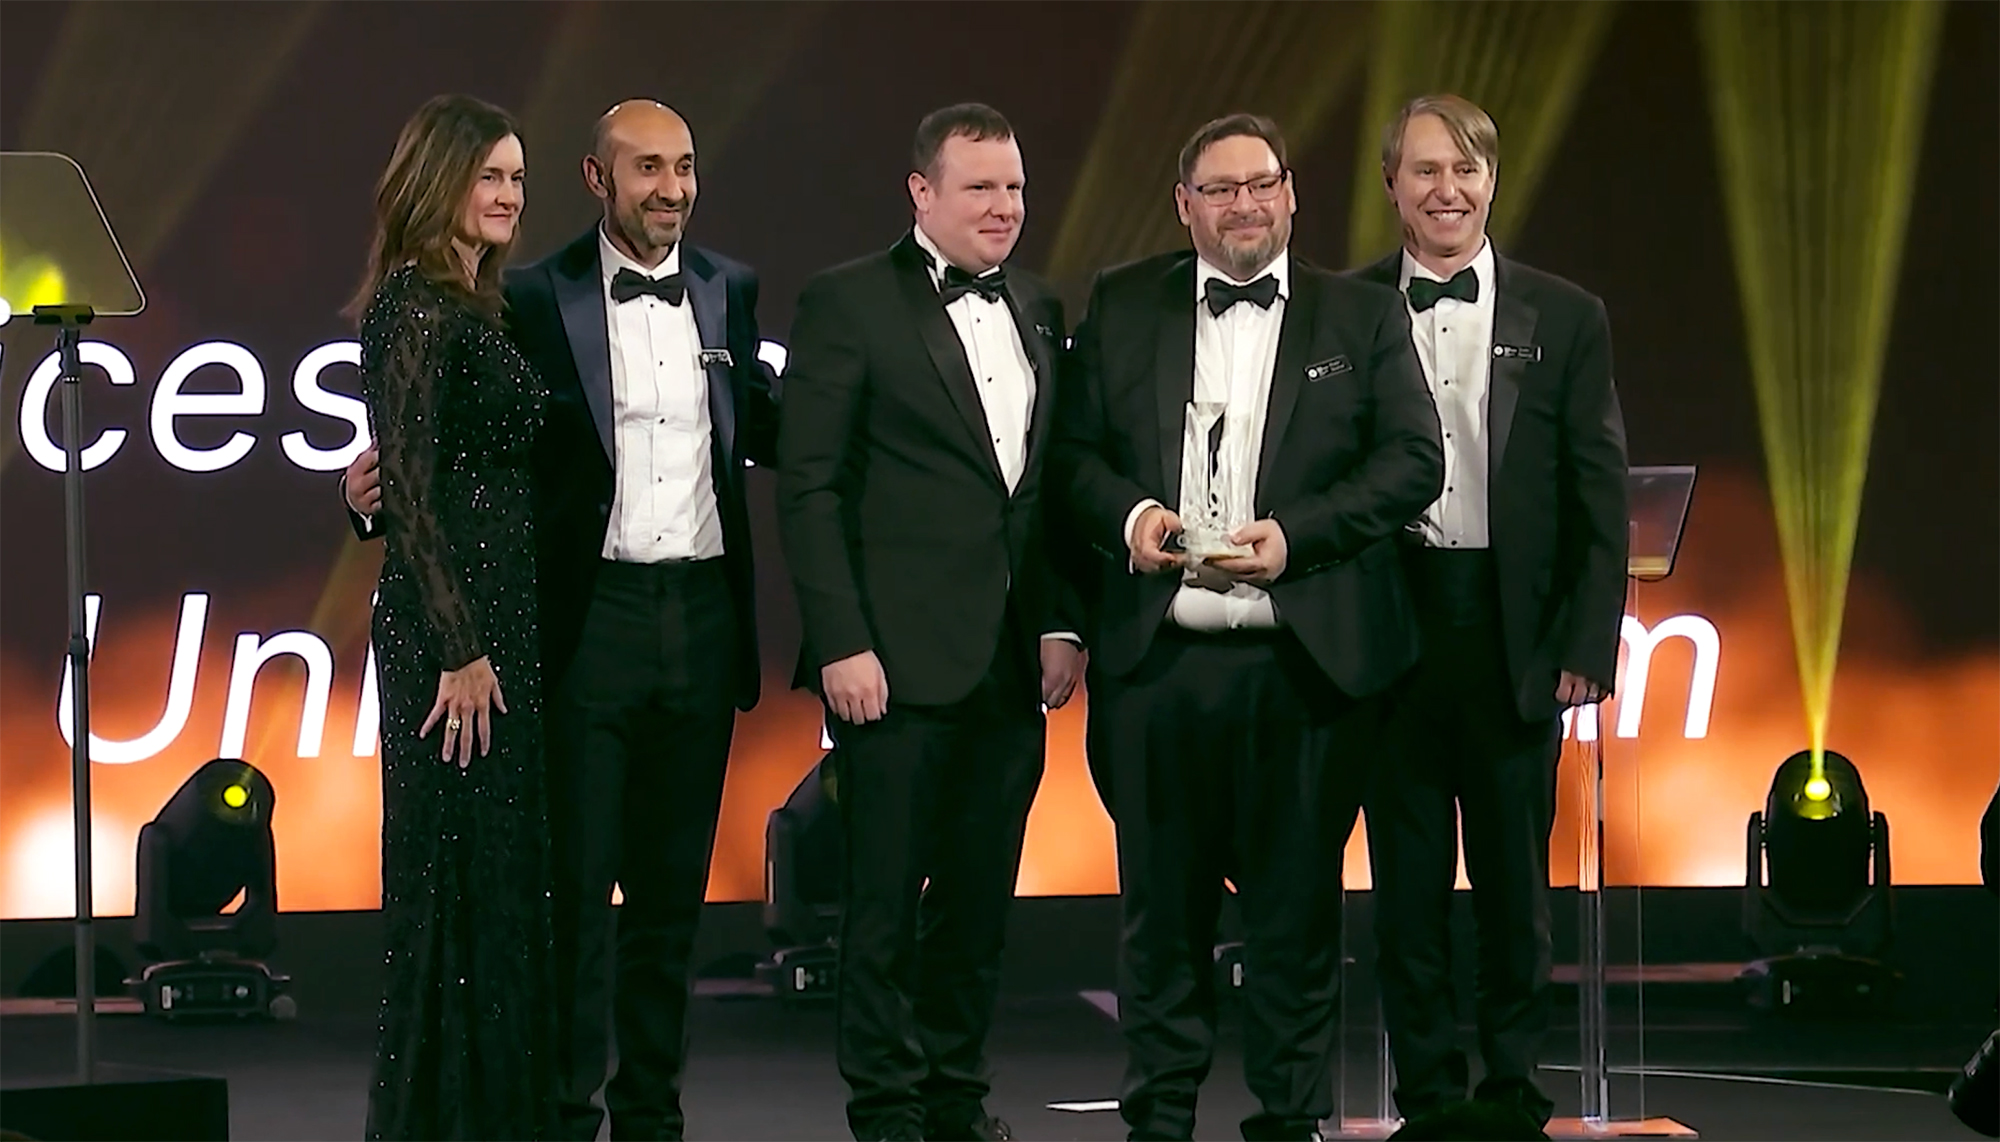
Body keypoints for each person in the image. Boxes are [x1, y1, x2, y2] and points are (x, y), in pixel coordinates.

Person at [347, 98, 779, 1142]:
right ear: (601, 178)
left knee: (671, 902)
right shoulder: (530, 298)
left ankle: (651, 1116)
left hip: (697, 617)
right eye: (646, 168)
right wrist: (371, 502)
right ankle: (556, 1115)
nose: (669, 188)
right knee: (571, 898)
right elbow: (424, 454)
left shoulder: (728, 291)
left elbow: (765, 431)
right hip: (582, 624)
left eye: (683, 166)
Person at [1050, 113, 1443, 1142]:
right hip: (1158, 662)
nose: (1242, 205)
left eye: (1258, 183)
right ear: (1183, 205)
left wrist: (1296, 537)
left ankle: (1287, 1116)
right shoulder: (1123, 302)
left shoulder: (1357, 314)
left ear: (1290, 192)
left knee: (1295, 915)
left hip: (1304, 666)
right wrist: (1135, 520)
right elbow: (1072, 460)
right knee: (1158, 914)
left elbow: (1412, 460)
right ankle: (1159, 1116)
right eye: (1217, 189)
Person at [775, 102, 1084, 1142]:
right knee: (880, 906)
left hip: (1007, 666)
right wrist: (840, 642)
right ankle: (888, 1107)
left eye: (1014, 188)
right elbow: (809, 487)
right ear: (921, 193)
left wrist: (1058, 620)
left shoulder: (1039, 305)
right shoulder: (847, 302)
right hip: (891, 664)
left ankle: (955, 1093)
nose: (1004, 208)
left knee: (976, 899)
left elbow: (1038, 489)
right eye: (980, 189)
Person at [1351, 93, 1629, 1129]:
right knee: (1406, 892)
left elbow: (1597, 491)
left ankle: (1510, 1091)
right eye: (1424, 170)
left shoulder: (1564, 315)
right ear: (1391, 186)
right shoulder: (1339, 312)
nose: (1446, 190)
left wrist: (1585, 640)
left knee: (1515, 893)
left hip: (1511, 636)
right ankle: (1426, 1096)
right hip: (1386, 635)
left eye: (1464, 169)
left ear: (1491, 181)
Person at [348, 93, 557, 1140]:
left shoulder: (478, 305)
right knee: (449, 885)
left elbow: (410, 472)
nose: (511, 195)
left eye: (518, 177)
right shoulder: (412, 308)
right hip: (453, 640)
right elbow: (416, 493)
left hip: (500, 625)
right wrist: (460, 648)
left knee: (496, 886)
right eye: (490, 176)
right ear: (440, 180)